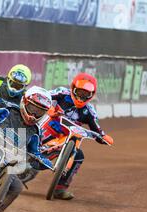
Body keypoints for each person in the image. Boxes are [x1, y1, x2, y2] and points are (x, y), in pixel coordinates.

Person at [39, 72, 114, 200]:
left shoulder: (89, 111)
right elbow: (42, 96)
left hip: (67, 138)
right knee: (28, 132)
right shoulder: (62, 93)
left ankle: (60, 188)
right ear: (73, 88)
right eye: (79, 92)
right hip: (49, 128)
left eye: (86, 95)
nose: (81, 97)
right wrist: (50, 108)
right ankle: (5, 164)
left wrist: (103, 137)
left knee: (79, 156)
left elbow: (97, 129)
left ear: (91, 95)